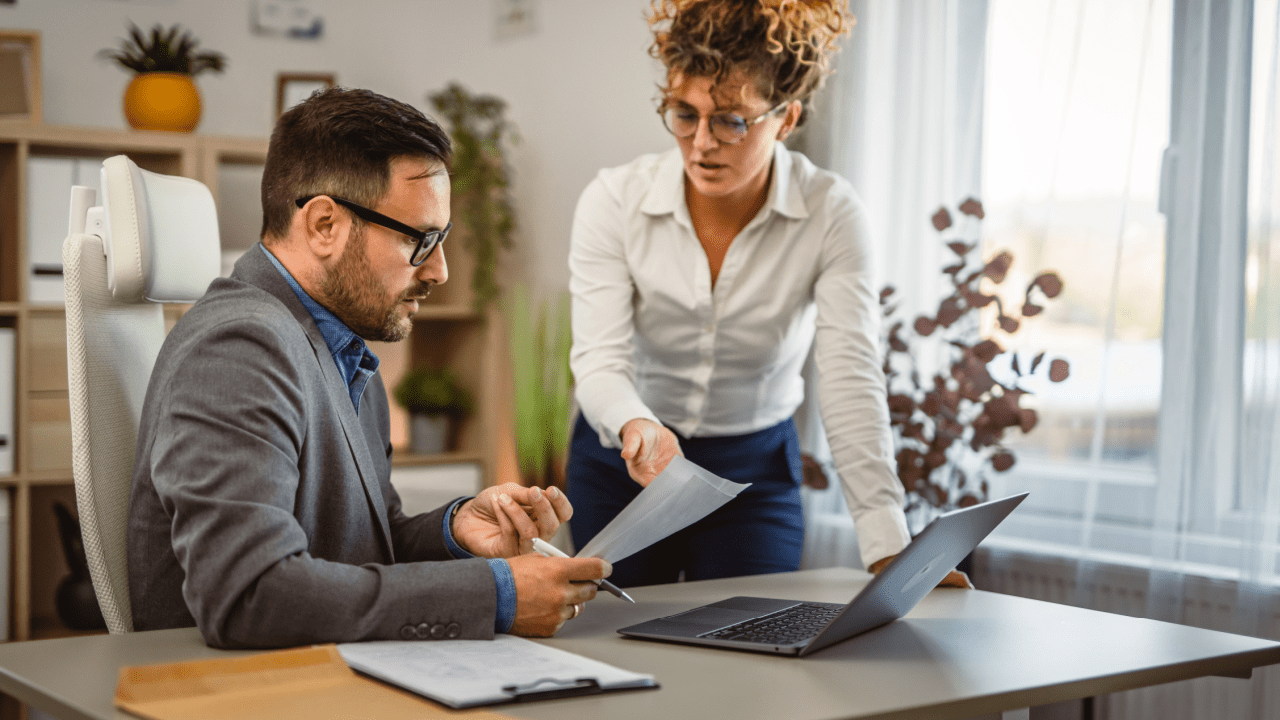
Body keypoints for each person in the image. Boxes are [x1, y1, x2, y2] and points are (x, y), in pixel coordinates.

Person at [128, 87, 609, 649]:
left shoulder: (342, 351)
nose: (440, 271)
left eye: (443, 239)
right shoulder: (239, 349)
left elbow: (361, 551)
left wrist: (455, 531)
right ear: (325, 225)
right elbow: (248, 595)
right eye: (420, 240)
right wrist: (495, 594)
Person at [567, 0, 967, 588]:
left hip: (754, 476)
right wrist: (636, 424)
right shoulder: (613, 201)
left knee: (750, 647)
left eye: (732, 119)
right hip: (626, 465)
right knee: (621, 653)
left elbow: (850, 375)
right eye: (684, 113)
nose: (702, 142)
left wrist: (889, 547)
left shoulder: (831, 213)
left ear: (786, 118)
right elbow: (599, 361)